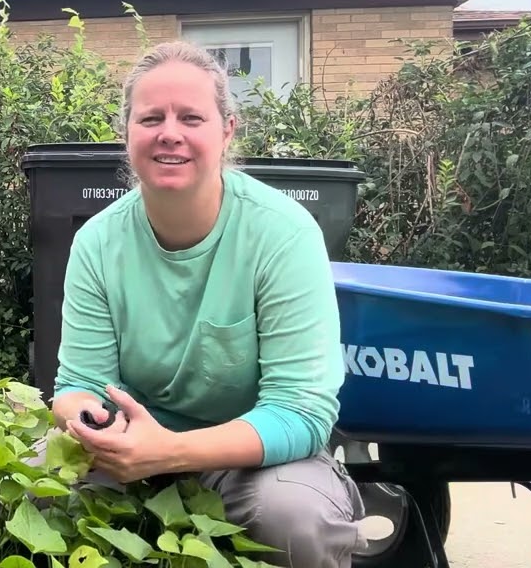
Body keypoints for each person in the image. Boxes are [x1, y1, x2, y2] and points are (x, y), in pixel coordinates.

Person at [48, 41, 365, 568]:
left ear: (227, 131)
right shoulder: (98, 243)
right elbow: (78, 381)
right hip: (132, 447)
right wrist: (88, 420)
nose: (169, 132)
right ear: (128, 133)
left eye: (191, 116)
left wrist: (170, 451)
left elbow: (302, 413)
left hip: (252, 460)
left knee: (293, 519)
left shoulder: (281, 235)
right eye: (151, 117)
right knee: (42, 484)